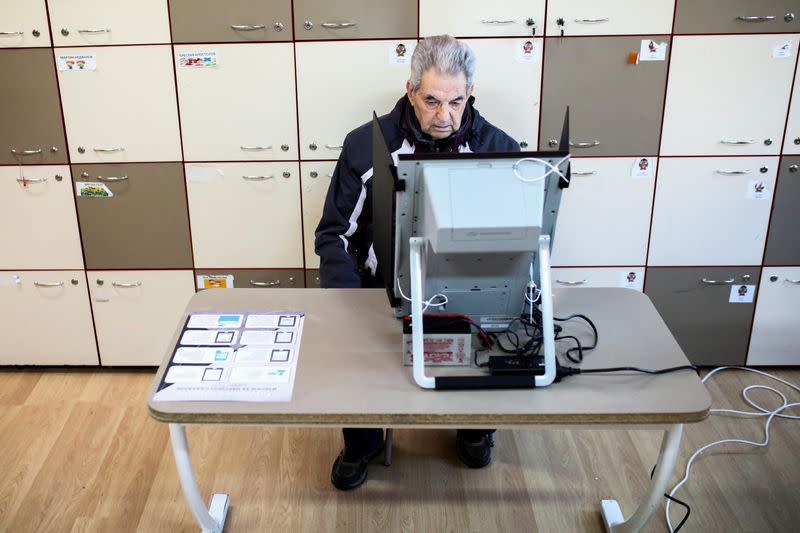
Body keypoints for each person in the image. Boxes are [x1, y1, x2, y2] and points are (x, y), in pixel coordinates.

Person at [314, 35, 520, 491]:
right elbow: (335, 236)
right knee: (358, 350)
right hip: (380, 285)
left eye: (456, 101)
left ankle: (474, 426)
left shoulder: (498, 148)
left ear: (470, 96)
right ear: (410, 91)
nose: (444, 116)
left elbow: (519, 237)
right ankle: (362, 442)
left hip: (464, 285)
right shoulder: (366, 146)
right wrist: (350, 307)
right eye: (431, 101)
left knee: (491, 332)